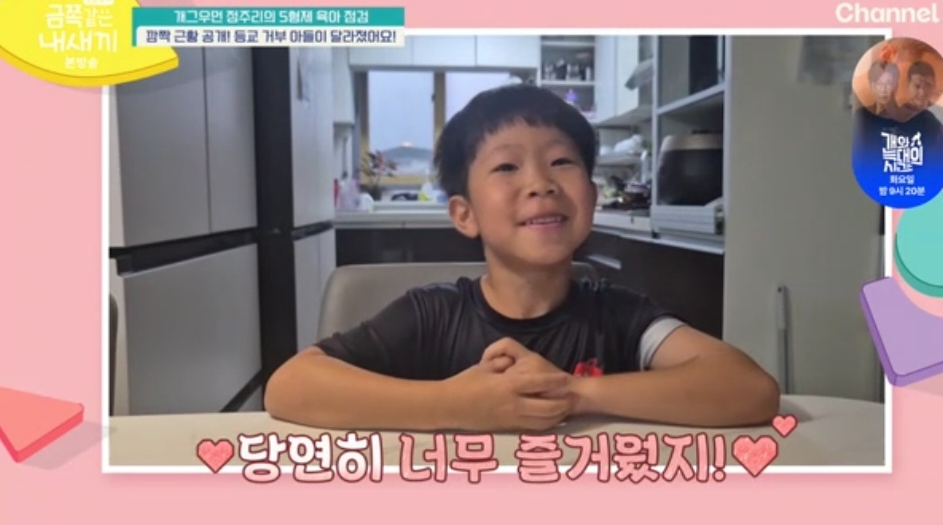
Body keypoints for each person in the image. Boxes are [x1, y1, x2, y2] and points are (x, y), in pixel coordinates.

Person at [264, 84, 780, 432]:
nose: (541, 183)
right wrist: (456, 404)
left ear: (591, 198)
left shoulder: (621, 317)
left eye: (561, 161)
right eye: (507, 167)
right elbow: (290, 386)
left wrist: (572, 393)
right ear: (465, 214)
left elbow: (750, 389)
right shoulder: (432, 315)